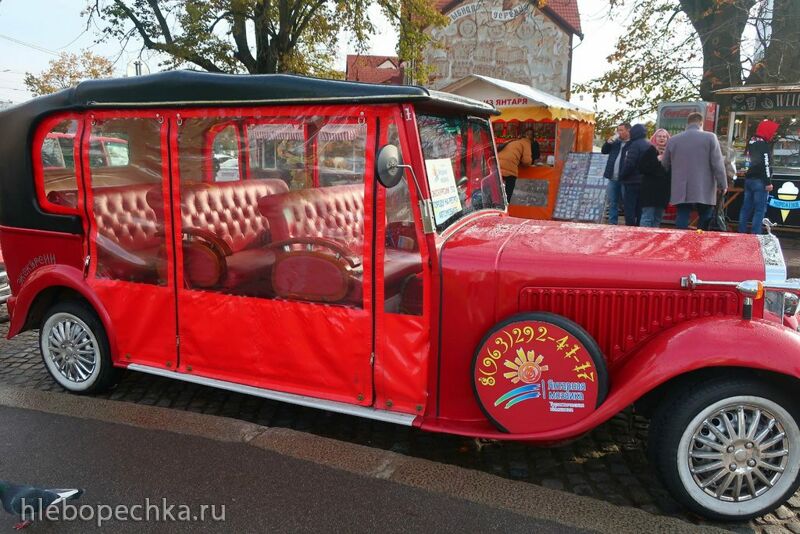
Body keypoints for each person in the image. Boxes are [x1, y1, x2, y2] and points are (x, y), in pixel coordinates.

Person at [661, 112, 727, 230]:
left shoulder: (673, 140)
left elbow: (664, 164)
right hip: (704, 187)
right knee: (705, 215)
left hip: (681, 188)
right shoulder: (710, 137)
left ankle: (681, 240)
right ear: (701, 123)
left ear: (688, 123)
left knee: (682, 214)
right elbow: (717, 163)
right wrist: (723, 184)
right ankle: (699, 240)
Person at [738, 119, 779, 234]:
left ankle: (741, 232)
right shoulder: (763, 144)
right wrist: (768, 182)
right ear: (767, 131)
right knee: (759, 210)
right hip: (760, 182)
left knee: (746, 208)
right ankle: (756, 234)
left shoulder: (751, 141)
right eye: (772, 131)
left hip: (749, 180)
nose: (773, 134)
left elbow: (747, 160)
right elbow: (765, 164)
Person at [617, 124, 650, 226]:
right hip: (644, 181)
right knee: (640, 207)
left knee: (629, 208)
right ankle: (639, 228)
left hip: (632, 181)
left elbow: (630, 163)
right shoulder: (648, 144)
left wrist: (621, 175)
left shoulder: (634, 145)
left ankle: (630, 228)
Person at [639, 128, 671, 228]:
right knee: (647, 217)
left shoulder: (670, 152)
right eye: (659, 136)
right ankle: (643, 238)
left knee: (658, 218)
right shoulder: (650, 150)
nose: (662, 138)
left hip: (663, 190)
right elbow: (642, 168)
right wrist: (656, 160)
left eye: (664, 136)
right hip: (650, 190)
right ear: (655, 138)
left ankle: (653, 241)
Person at [601, 123, 631, 224]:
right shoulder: (615, 142)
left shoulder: (632, 144)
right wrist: (608, 142)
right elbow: (604, 151)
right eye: (618, 130)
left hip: (625, 178)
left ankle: (629, 224)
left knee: (627, 202)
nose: (619, 132)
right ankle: (612, 224)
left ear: (628, 131)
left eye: (621, 130)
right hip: (612, 177)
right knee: (612, 202)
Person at [498, 129, 534, 202]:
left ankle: (494, 207)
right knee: (508, 191)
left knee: (497, 191)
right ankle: (505, 206)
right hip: (509, 167)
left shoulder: (514, 141)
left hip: (497, 164)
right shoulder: (526, 142)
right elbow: (527, 161)